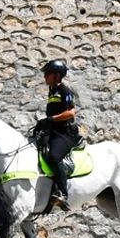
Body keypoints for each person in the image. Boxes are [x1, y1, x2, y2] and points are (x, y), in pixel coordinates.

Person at [33, 59, 81, 208]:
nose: (45, 77)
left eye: (47, 74)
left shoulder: (64, 90)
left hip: (65, 133)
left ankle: (63, 193)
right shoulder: (52, 91)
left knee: (54, 156)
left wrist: (51, 119)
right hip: (53, 131)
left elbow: (71, 112)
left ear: (57, 75)